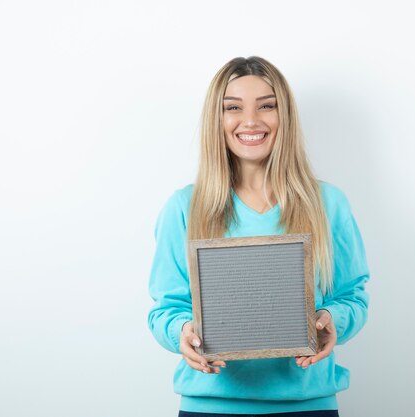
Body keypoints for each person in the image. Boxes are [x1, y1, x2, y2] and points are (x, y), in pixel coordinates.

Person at [148, 56, 370, 417]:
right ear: (216, 120)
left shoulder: (328, 204)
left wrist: (332, 319)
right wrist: (183, 332)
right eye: (232, 107)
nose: (250, 121)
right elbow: (166, 308)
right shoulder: (184, 208)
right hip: (210, 407)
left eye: (267, 106)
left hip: (307, 405)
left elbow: (353, 296)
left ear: (285, 116)